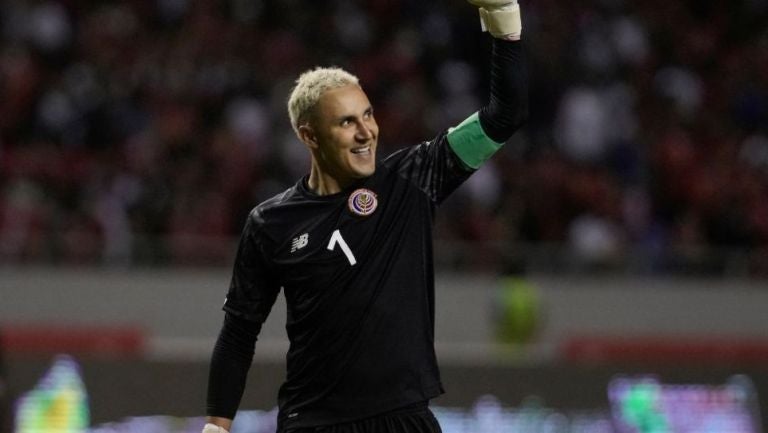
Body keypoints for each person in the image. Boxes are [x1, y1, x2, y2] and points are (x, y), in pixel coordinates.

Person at [203, 1, 527, 432]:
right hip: (315, 423)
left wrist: (504, 22)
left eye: (368, 115)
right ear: (309, 135)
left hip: (404, 420)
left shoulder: (410, 179)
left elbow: (503, 118)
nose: (366, 132)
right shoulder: (271, 223)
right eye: (346, 122)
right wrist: (217, 424)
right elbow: (239, 332)